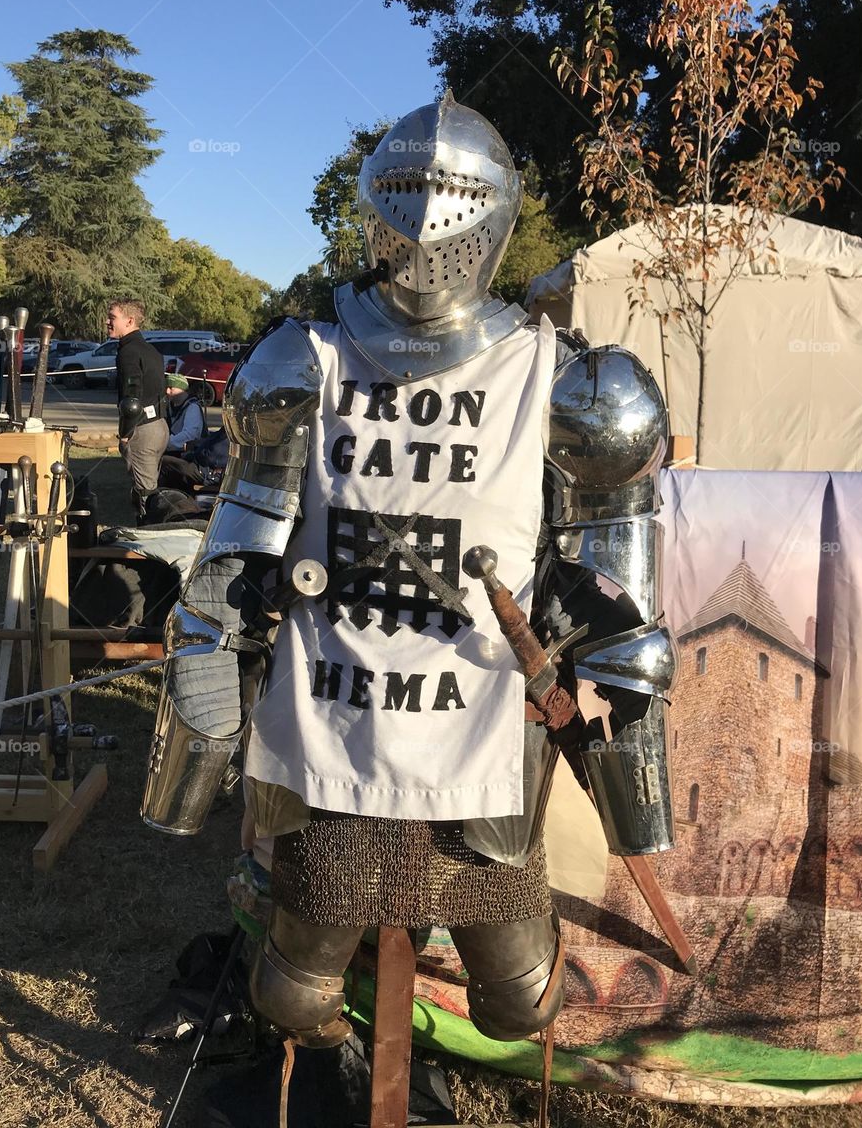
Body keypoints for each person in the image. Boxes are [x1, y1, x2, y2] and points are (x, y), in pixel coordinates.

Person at [142, 94, 678, 1051]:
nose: (429, 225)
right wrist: (192, 773)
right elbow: (223, 589)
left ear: (496, 208)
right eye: (405, 190)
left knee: (523, 1003)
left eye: (453, 195)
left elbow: (624, 630)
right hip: (334, 729)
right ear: (373, 204)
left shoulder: (571, 386)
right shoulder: (300, 362)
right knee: (293, 998)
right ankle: (349, 1068)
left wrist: (633, 805)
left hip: (482, 734)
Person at [107, 299, 169, 522]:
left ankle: (147, 542)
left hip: (142, 429)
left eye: (112, 317)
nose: (107, 321)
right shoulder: (151, 350)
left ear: (129, 320)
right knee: (149, 489)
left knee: (144, 494)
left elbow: (131, 400)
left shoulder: (129, 352)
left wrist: (125, 433)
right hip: (159, 425)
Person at [164, 373, 207, 453]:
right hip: (171, 450)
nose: (167, 391)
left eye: (171, 388)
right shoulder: (168, 405)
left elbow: (190, 435)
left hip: (188, 455)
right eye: (166, 388)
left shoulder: (193, 407)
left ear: (182, 389)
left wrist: (164, 443)